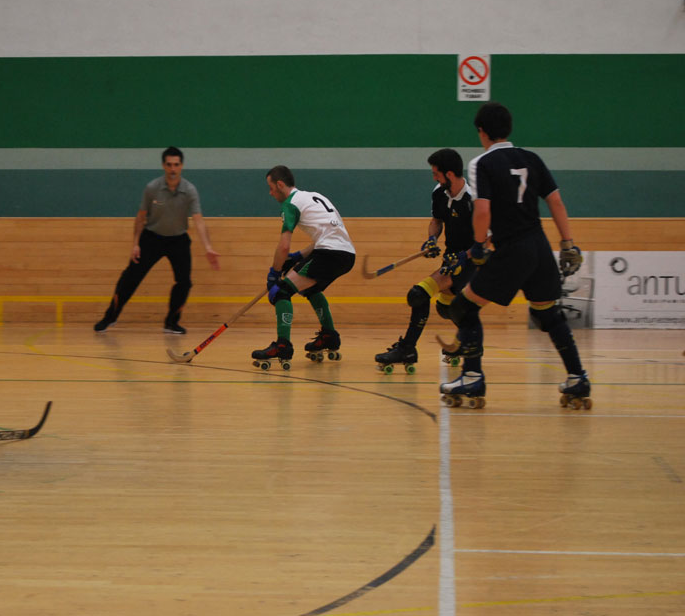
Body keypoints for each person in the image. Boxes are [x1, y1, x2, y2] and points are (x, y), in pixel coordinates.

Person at [440, 102, 590, 408]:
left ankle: (472, 378)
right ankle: (577, 378)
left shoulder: (481, 163)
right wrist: (568, 244)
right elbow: (557, 202)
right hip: (539, 247)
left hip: (512, 249)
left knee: (462, 308)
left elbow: (482, 210)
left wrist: (479, 245)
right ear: (508, 128)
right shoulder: (532, 159)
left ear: (481, 131)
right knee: (547, 313)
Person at [94, 147, 220, 334]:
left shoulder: (189, 190)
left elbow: (199, 220)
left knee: (184, 282)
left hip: (178, 240)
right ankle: (109, 318)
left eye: (176, 165)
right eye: (169, 164)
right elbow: (141, 216)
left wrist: (208, 247)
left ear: (181, 166)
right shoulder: (152, 188)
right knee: (130, 278)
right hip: (151, 238)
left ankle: (171, 322)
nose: (172, 169)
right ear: (163, 165)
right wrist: (135, 243)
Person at [375, 148, 476, 371]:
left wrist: (464, 256)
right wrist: (432, 238)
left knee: (418, 294)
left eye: (436, 174)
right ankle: (470, 341)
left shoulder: (473, 200)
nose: (434, 178)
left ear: (449, 174)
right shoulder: (439, 193)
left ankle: (408, 349)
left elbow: (487, 239)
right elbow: (437, 220)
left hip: (472, 261)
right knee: (445, 308)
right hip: (450, 260)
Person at [253, 165, 356, 367]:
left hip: (328, 254)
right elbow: (328, 236)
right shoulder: (315, 196)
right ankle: (329, 336)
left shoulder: (290, 205)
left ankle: (283, 346)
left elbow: (283, 246)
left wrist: (274, 273)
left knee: (282, 292)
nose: (270, 193)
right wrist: (298, 256)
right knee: (311, 289)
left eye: (271, 187)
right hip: (347, 255)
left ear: (280, 184)